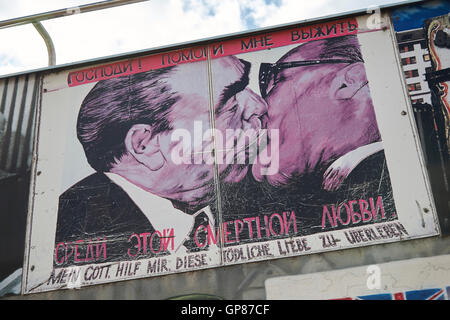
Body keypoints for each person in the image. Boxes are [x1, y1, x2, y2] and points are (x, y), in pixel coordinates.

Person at [54, 56, 268, 267]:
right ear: (145, 145)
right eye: (229, 101)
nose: (259, 106)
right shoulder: (66, 230)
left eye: (245, 88)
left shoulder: (257, 201)